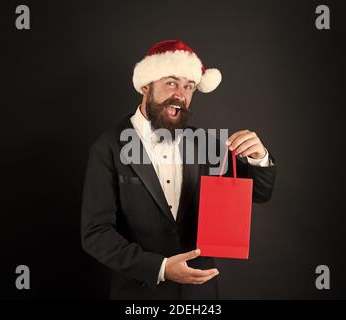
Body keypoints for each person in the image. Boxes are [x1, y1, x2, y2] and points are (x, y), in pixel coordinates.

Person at [81, 40, 276, 299]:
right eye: (171, 83)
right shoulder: (108, 147)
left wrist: (259, 157)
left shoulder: (205, 144)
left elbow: (260, 193)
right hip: (140, 295)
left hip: (201, 296)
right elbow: (96, 234)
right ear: (145, 85)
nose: (180, 95)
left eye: (189, 86)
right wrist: (160, 268)